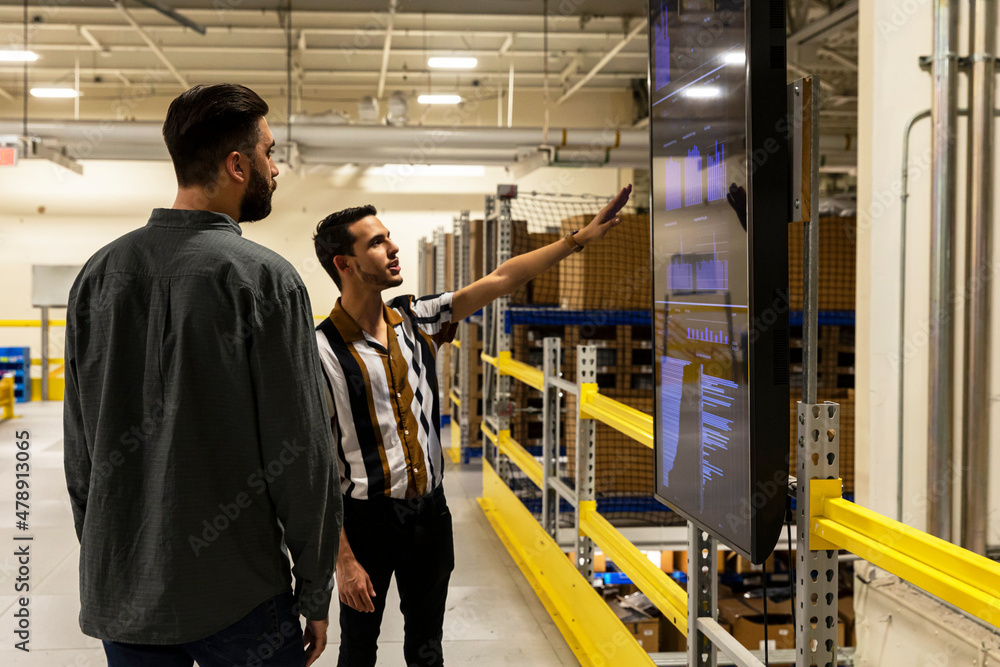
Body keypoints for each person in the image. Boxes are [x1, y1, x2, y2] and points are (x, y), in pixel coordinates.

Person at [63, 83, 342, 667]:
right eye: (269, 152)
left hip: (127, 599)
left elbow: (80, 449)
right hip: (240, 598)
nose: (276, 168)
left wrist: (112, 559)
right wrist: (315, 588)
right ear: (237, 165)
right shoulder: (265, 281)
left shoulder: (97, 275)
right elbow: (301, 452)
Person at [311, 184, 632, 667]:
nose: (393, 247)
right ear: (345, 264)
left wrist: (577, 240)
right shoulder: (319, 350)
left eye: (389, 237)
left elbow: (502, 278)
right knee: (358, 653)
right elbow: (315, 465)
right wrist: (343, 558)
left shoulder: (417, 317)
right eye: (376, 242)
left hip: (430, 517)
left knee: (427, 649)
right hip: (365, 523)